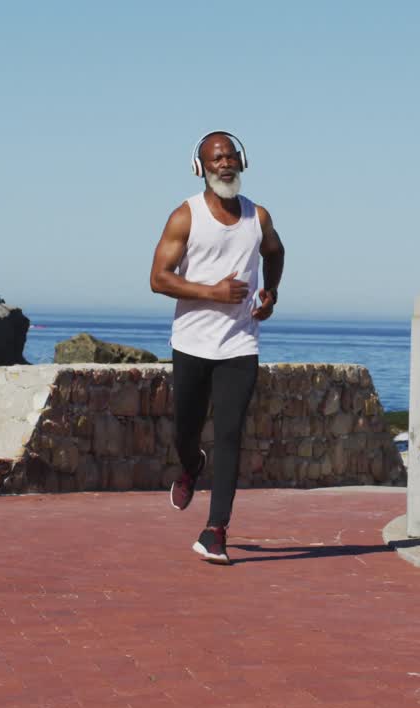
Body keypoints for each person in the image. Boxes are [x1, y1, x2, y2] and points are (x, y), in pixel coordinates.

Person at [149, 131, 285, 565]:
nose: (225, 165)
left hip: (240, 344)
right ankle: (190, 466)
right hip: (191, 342)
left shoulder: (257, 216)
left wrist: (271, 293)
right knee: (184, 432)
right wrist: (214, 292)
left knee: (230, 435)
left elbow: (276, 251)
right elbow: (159, 278)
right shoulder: (185, 217)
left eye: (230, 157)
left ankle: (215, 530)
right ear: (201, 168)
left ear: (242, 161)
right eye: (216, 159)